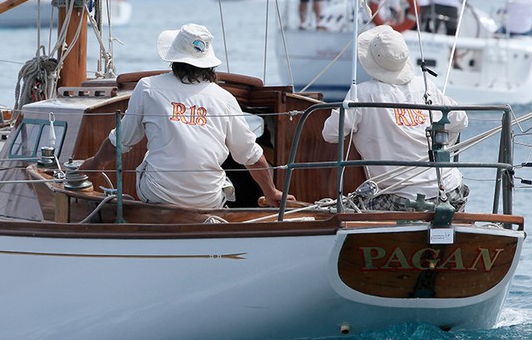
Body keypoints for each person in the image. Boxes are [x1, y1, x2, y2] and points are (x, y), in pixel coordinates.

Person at [81, 23, 293, 209]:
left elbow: (121, 140)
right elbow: (249, 155)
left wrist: (97, 163)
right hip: (207, 199)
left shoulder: (147, 88)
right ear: (209, 63)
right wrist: (271, 192)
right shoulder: (224, 98)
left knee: (149, 158)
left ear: (173, 58)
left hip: (158, 195)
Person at [321, 25, 469, 211]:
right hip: (452, 190)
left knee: (349, 207)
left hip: (402, 199)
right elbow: (460, 119)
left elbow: (330, 133)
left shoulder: (363, 94)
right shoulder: (425, 86)